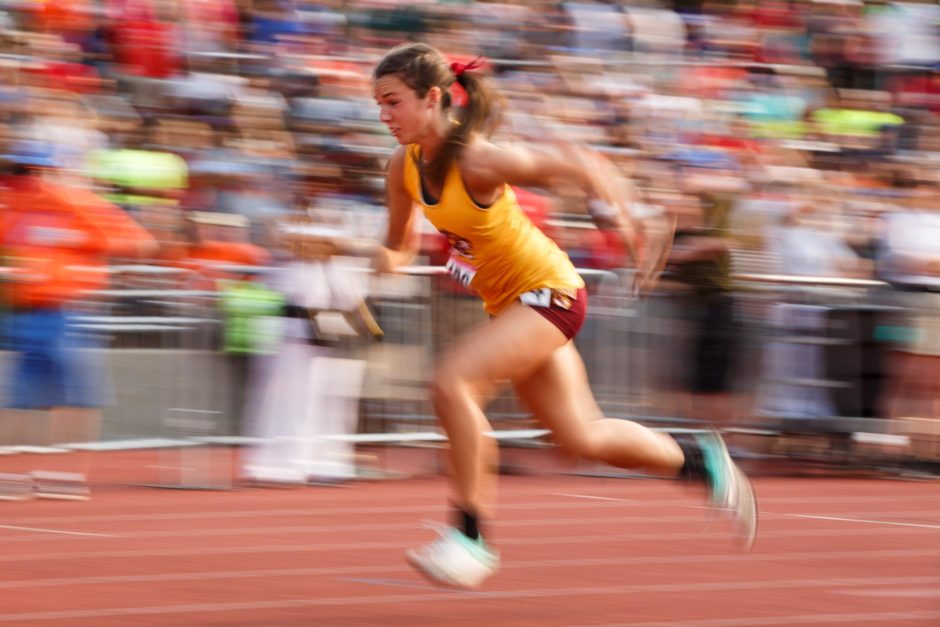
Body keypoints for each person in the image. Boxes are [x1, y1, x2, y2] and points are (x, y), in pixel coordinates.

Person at [370, 42, 757, 590]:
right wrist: (365, 263)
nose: (384, 116)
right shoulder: (402, 165)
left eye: (393, 102)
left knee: (452, 381)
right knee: (580, 437)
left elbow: (583, 163)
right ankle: (700, 459)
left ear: (433, 98)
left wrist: (624, 218)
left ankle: (471, 538)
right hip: (512, 306)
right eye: (378, 105)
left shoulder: (477, 159)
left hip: (549, 294)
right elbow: (398, 245)